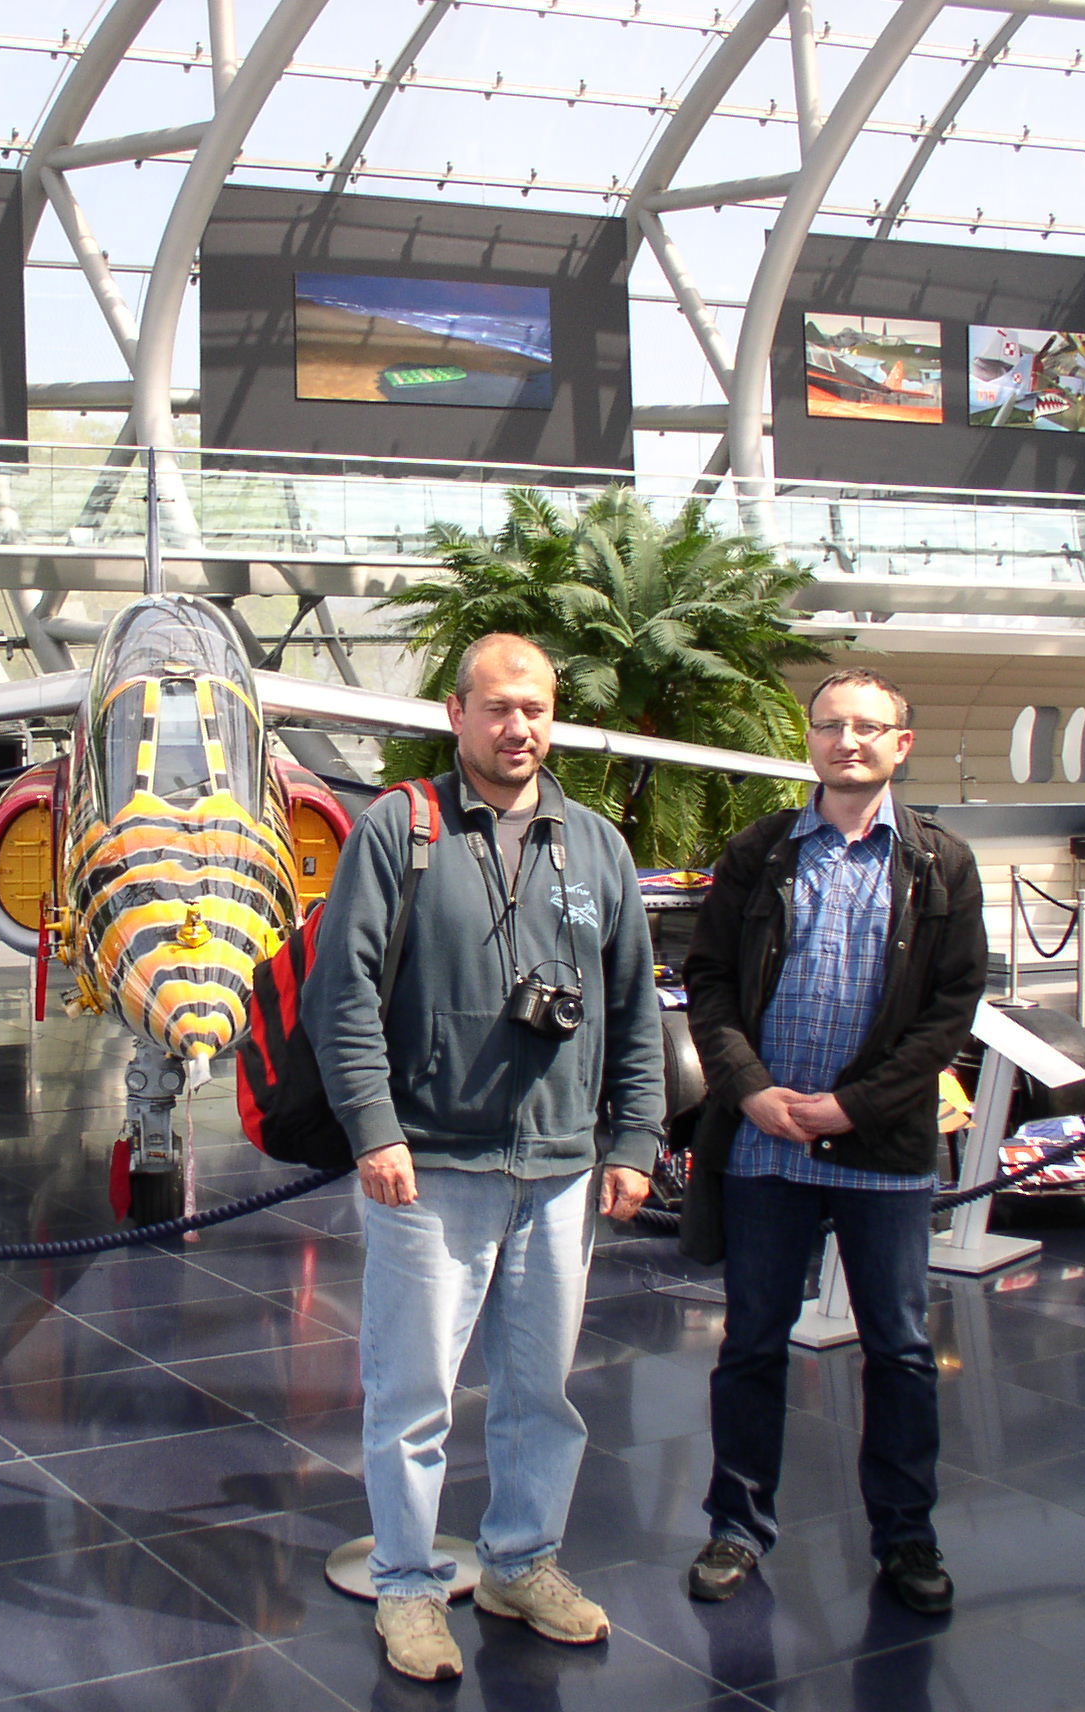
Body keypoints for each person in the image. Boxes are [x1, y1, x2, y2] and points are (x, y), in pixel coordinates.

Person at [303, 633, 664, 1682]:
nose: (518, 727)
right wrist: (374, 1127)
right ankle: (408, 1586)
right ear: (455, 713)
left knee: (540, 1393)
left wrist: (635, 1135)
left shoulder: (594, 845)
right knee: (413, 1394)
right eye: (498, 707)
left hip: (557, 1168)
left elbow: (633, 1003)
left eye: (535, 708)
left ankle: (520, 1562)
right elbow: (340, 993)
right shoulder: (399, 828)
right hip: (430, 1168)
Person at [679, 667, 986, 1617]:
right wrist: (751, 1089)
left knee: (899, 1349)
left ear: (901, 743)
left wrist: (855, 1106)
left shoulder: (941, 862)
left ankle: (906, 1536)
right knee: (751, 1343)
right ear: (809, 739)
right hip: (765, 1147)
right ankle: (736, 1526)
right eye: (829, 726)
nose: (847, 741)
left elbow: (950, 1010)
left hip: (880, 1150)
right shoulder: (759, 852)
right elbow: (709, 981)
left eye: (868, 727)